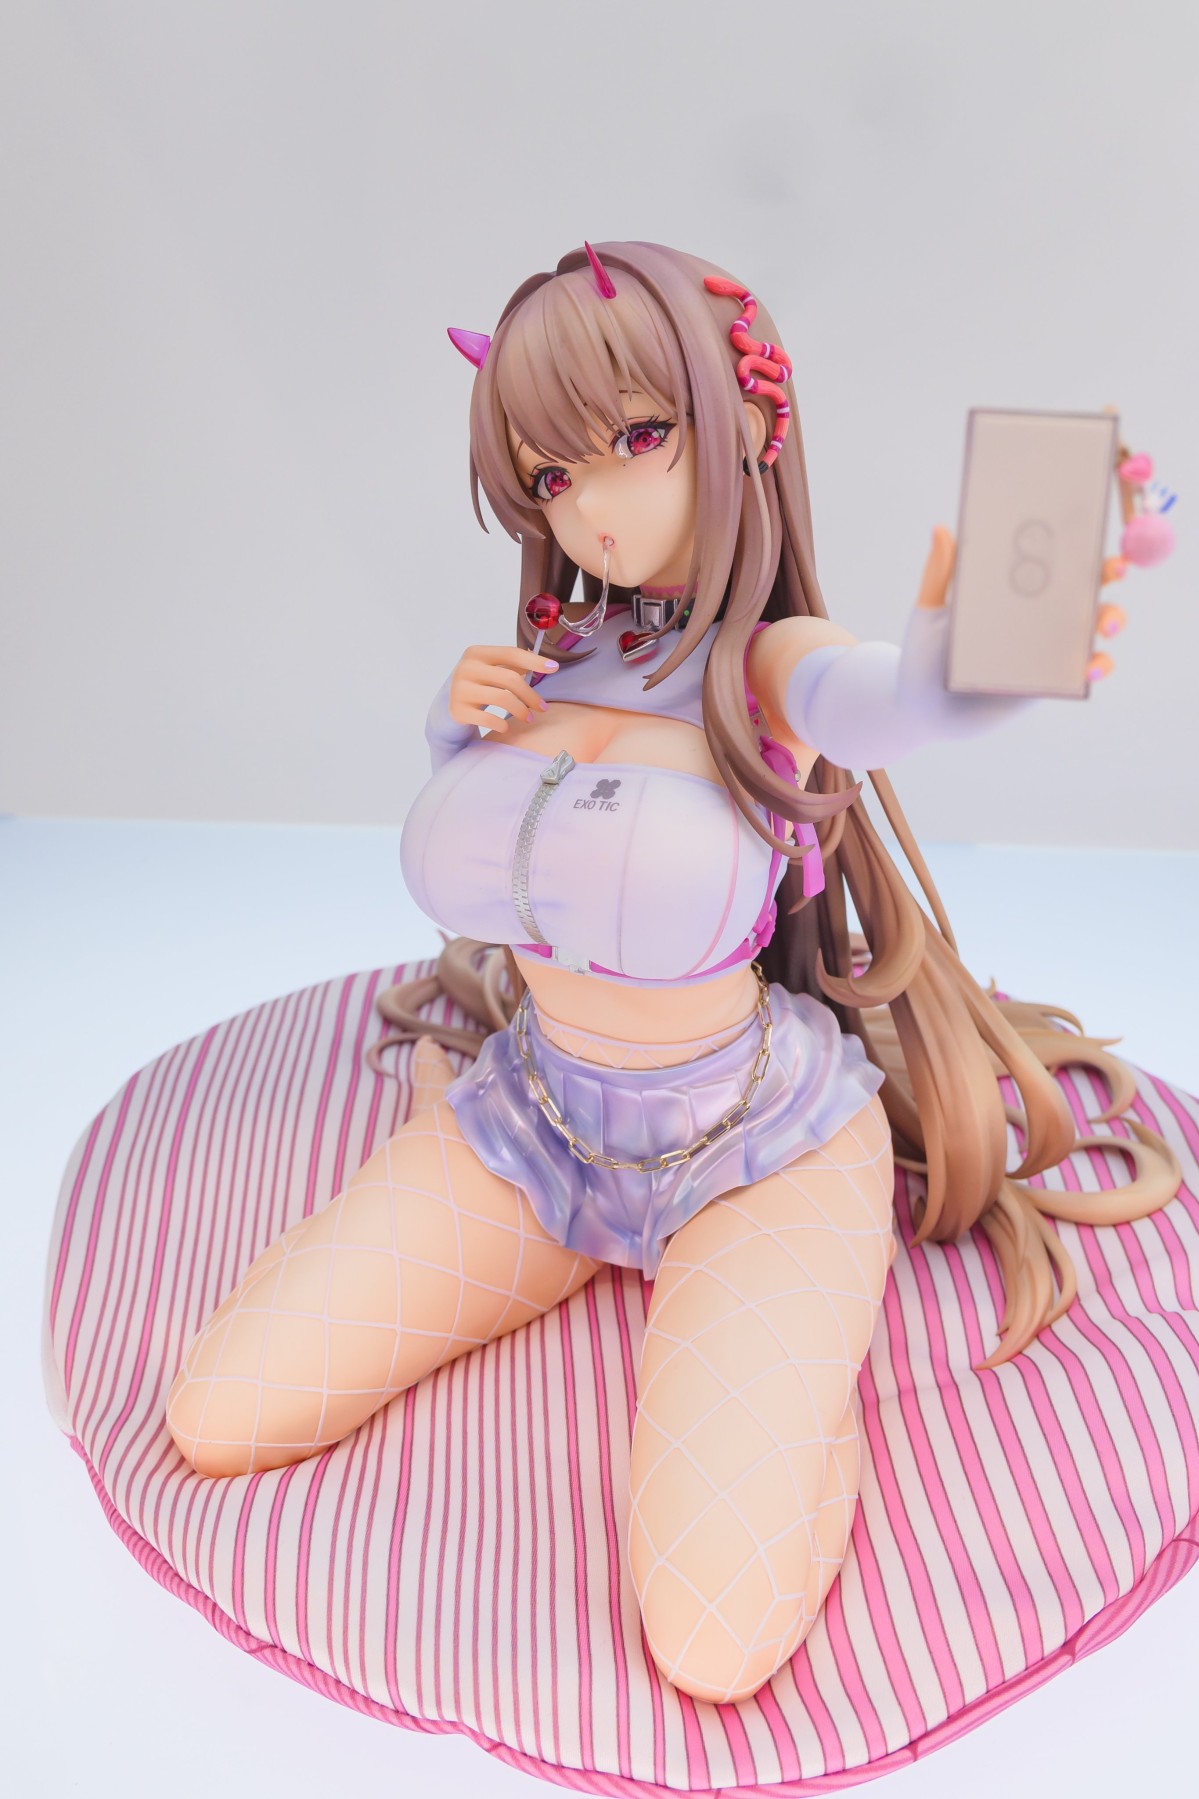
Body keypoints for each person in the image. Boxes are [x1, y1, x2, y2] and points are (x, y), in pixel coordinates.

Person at [166, 240, 1176, 1705]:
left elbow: (884, 703)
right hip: (533, 1125)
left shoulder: (765, 667)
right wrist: (456, 730)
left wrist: (986, 654)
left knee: (709, 1639)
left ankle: (801, 1368)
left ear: (742, 421)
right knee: (217, 1415)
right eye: (550, 473)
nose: (594, 505)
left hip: (754, 1151)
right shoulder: (553, 655)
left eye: (639, 438)